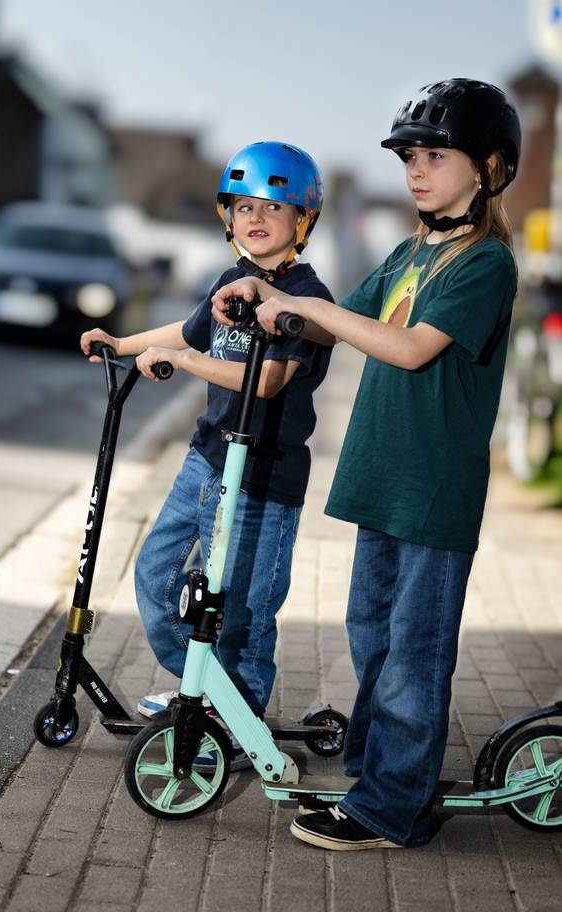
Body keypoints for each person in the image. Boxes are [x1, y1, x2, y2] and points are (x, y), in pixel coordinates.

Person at [212, 79, 521, 844]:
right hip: (382, 477)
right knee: (373, 640)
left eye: (436, 156)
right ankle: (377, 772)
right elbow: (338, 323)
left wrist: (314, 310)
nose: (416, 170)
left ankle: (393, 808)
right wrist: (268, 292)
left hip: (432, 489)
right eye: (411, 156)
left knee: (415, 656)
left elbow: (412, 347)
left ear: (488, 168)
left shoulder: (485, 265)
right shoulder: (411, 250)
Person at [81, 142, 334, 768]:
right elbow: (186, 333)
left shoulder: (305, 296)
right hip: (205, 460)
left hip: (263, 477)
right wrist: (122, 342)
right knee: (157, 574)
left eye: (275, 208)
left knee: (245, 607)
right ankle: (203, 690)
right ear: (226, 217)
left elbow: (269, 379)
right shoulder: (228, 284)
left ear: (302, 221)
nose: (257, 218)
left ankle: (238, 718)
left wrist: (191, 364)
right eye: (244, 205)